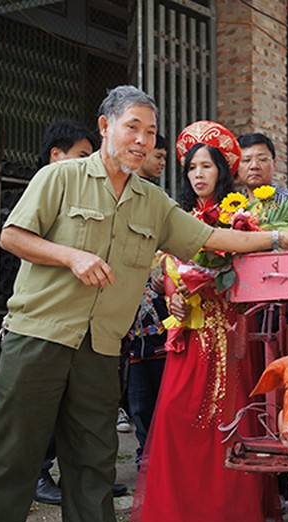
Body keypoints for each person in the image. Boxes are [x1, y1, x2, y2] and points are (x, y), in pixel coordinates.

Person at [0, 86, 288, 522]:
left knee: (94, 457)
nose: (143, 140)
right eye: (133, 127)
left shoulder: (152, 201)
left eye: (150, 132)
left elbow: (209, 239)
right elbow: (12, 235)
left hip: (101, 345)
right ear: (106, 128)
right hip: (39, 334)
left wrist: (278, 237)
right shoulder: (59, 177)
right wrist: (71, 255)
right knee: (12, 449)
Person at [130, 120, 283, 522]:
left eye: (207, 166)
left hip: (227, 332)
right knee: (177, 414)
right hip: (187, 332)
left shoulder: (240, 216)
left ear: (222, 170)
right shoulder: (175, 217)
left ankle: (225, 515)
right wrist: (171, 291)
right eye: (192, 168)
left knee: (226, 419)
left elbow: (246, 268)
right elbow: (160, 266)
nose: (198, 174)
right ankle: (173, 515)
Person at [31, 120, 132, 506]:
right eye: (82, 156)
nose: (90, 164)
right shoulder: (49, 190)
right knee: (43, 410)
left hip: (89, 325)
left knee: (84, 412)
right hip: (45, 323)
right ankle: (38, 475)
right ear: (57, 156)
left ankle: (83, 482)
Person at [122, 133, 170, 468]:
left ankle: (156, 454)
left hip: (158, 317)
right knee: (138, 396)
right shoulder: (122, 195)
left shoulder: (159, 201)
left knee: (159, 390)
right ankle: (144, 453)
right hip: (129, 319)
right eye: (159, 154)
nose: (162, 161)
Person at [237, 132, 288, 203]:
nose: (254, 166)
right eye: (246, 160)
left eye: (262, 159)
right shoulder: (233, 208)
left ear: (274, 164)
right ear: (237, 167)